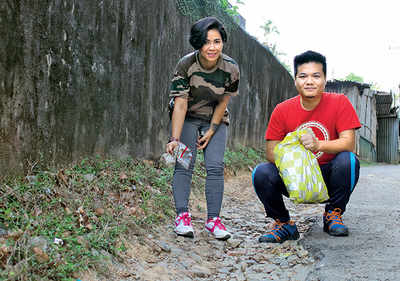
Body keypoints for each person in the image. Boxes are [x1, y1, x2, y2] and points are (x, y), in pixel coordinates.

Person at [252, 50, 361, 243]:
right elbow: (270, 152)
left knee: (348, 160)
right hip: (296, 177)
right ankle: (284, 223)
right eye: (303, 76)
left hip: (329, 175)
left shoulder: (339, 102)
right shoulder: (282, 109)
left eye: (316, 76)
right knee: (261, 172)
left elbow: (349, 143)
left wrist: (318, 144)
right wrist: (298, 161)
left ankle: (333, 214)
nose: (309, 81)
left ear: (325, 80)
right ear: (295, 81)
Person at [166, 17, 240, 240]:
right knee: (183, 165)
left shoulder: (231, 68)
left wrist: (212, 129)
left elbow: (224, 101)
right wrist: (174, 138)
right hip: (187, 116)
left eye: (217, 41)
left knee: (215, 166)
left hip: (214, 118)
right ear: (198, 43)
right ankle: (182, 217)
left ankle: (213, 221)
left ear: (222, 42)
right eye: (207, 42)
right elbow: (180, 103)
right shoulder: (186, 65)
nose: (212, 47)